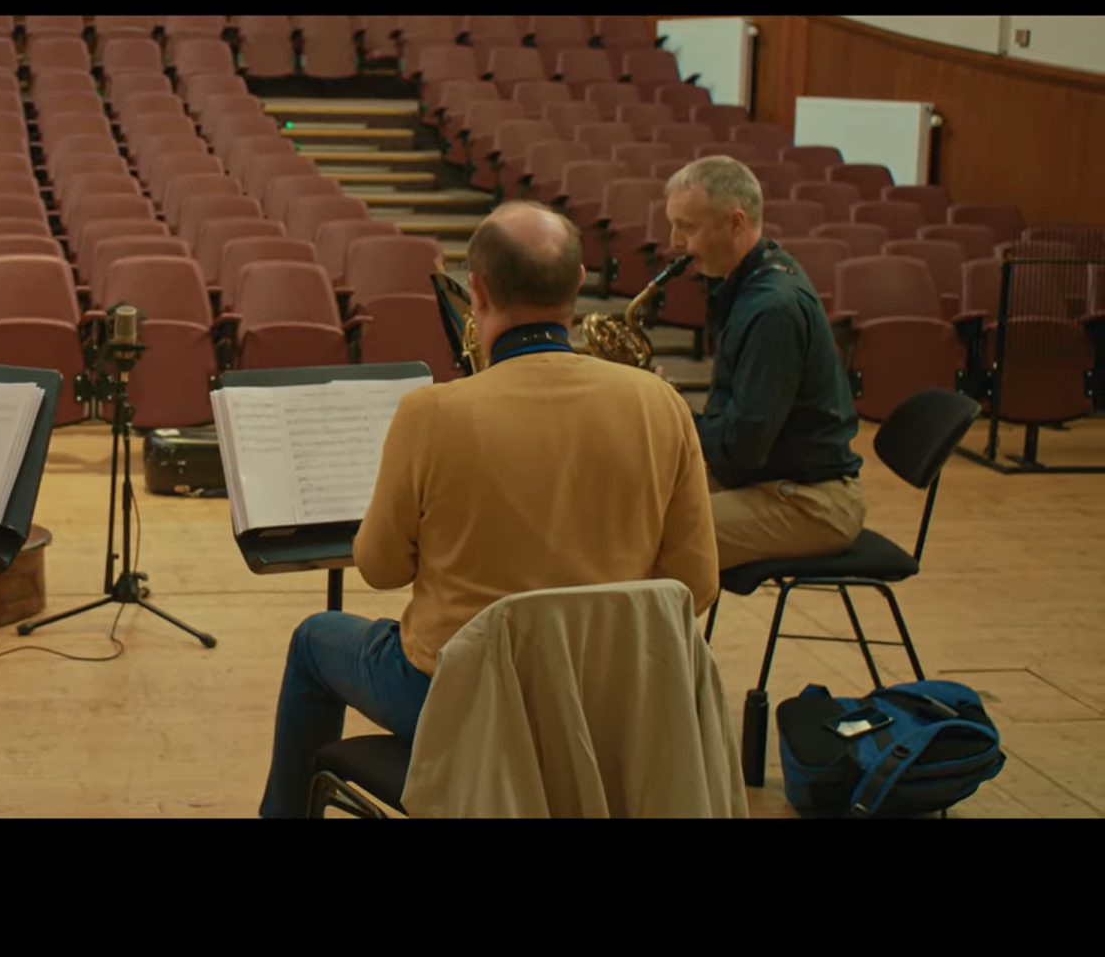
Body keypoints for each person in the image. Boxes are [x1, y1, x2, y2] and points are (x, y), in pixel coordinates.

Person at [257, 201, 720, 818]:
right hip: (608, 700)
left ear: (475, 289)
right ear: (580, 282)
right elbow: (696, 584)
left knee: (315, 638)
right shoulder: (660, 403)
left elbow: (381, 568)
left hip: (459, 698)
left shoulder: (432, 413)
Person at [663, 156, 865, 571]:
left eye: (687, 227)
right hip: (771, 480)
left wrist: (671, 414)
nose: (675, 242)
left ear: (735, 223)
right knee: (629, 507)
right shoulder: (751, 281)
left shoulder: (772, 309)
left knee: (649, 534)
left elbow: (743, 447)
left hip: (810, 501)